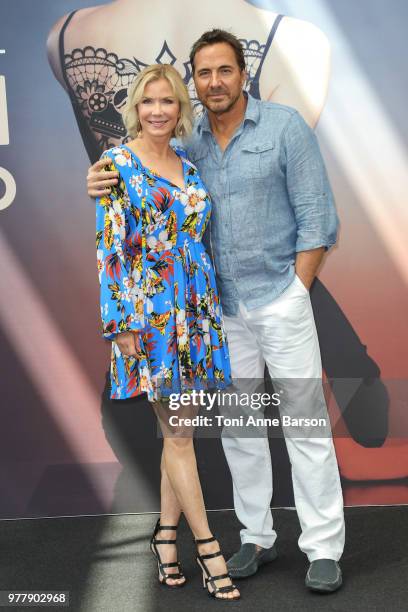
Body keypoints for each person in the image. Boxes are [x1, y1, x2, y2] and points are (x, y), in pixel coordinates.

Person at [48, 0, 390, 452]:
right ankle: (353, 374)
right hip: (177, 293)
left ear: (240, 73)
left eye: (224, 72)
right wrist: (113, 171)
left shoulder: (65, 34)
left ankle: (349, 379)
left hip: (214, 289)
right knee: (224, 437)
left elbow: (274, 204)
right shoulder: (299, 41)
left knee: (249, 434)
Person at [89, 30, 345, 593]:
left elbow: (318, 220)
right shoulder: (188, 140)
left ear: (242, 73)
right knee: (239, 431)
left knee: (304, 426)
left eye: (224, 71)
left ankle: (323, 547)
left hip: (280, 300)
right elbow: (134, 192)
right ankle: (255, 537)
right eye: (203, 74)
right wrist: (99, 179)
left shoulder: (285, 128)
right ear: (194, 83)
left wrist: (296, 293)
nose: (214, 83)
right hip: (215, 316)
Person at [97, 62, 240, 601]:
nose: (158, 111)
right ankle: (209, 549)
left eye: (169, 102)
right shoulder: (116, 164)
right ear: (135, 107)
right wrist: (121, 327)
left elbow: (195, 237)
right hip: (149, 319)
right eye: (148, 102)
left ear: (181, 109)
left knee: (176, 434)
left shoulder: (186, 162)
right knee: (181, 434)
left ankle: (164, 536)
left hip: (196, 313)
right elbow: (110, 250)